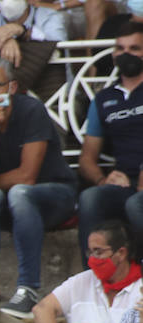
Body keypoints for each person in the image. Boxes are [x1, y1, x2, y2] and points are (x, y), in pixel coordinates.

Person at [0, 56, 78, 316]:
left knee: (18, 191)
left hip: (53, 196)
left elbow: (27, 175)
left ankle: (28, 289)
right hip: (11, 206)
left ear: (12, 87)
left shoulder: (31, 110)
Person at [78, 25, 143, 249]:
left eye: (134, 48)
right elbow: (86, 159)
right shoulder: (103, 99)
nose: (126, 54)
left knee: (137, 204)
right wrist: (102, 180)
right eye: (120, 48)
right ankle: (92, 279)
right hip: (126, 184)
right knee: (90, 197)